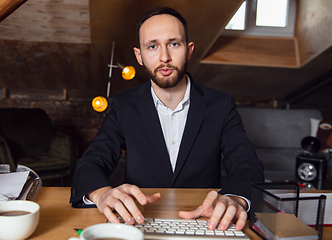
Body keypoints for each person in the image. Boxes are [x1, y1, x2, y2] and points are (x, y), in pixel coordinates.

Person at [70, 6, 264, 231]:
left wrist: (236, 199)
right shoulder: (125, 105)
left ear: (189, 50)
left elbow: (246, 163)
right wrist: (101, 193)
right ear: (139, 56)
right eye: (152, 46)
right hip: (140, 222)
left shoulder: (221, 104)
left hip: (205, 223)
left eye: (174, 44)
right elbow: (91, 161)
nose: (164, 57)